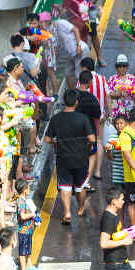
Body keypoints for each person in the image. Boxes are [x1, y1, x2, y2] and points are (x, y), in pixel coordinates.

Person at [44, 89, 95, 225]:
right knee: (80, 186)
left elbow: (47, 139)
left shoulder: (56, 119)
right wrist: (88, 145)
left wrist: (56, 142)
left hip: (63, 158)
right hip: (81, 158)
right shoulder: (82, 119)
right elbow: (92, 138)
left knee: (65, 186)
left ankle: (67, 212)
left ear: (64, 102)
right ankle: (80, 208)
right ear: (76, 102)